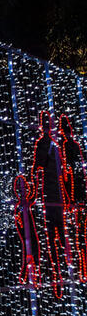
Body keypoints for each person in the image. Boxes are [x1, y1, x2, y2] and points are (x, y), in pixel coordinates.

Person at [29, 110, 70, 298]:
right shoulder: (44, 144)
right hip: (47, 198)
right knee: (51, 240)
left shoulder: (55, 145)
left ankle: (65, 276)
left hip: (58, 198)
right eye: (47, 124)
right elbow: (37, 167)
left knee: (61, 238)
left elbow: (61, 173)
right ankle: (56, 278)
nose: (49, 127)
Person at [59, 114, 87, 282]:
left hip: (76, 196)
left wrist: (69, 197)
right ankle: (83, 268)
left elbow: (68, 172)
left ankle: (83, 269)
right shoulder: (75, 146)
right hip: (80, 194)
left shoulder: (68, 146)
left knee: (79, 234)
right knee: (80, 233)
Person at [14, 174, 40, 287]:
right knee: (28, 255)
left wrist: (36, 181)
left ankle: (36, 277)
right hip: (26, 233)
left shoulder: (28, 203)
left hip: (32, 232)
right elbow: (17, 221)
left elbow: (34, 196)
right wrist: (22, 232)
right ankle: (26, 276)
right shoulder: (19, 206)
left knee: (36, 253)